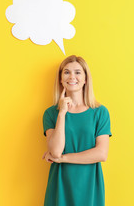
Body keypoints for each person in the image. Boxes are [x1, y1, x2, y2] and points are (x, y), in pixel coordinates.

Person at [42, 55, 112, 206]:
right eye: (66, 72)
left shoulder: (100, 112)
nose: (72, 76)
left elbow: (101, 153)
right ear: (61, 79)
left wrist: (63, 158)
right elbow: (55, 151)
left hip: (89, 185)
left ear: (86, 79)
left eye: (78, 72)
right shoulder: (51, 113)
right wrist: (62, 113)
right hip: (60, 185)